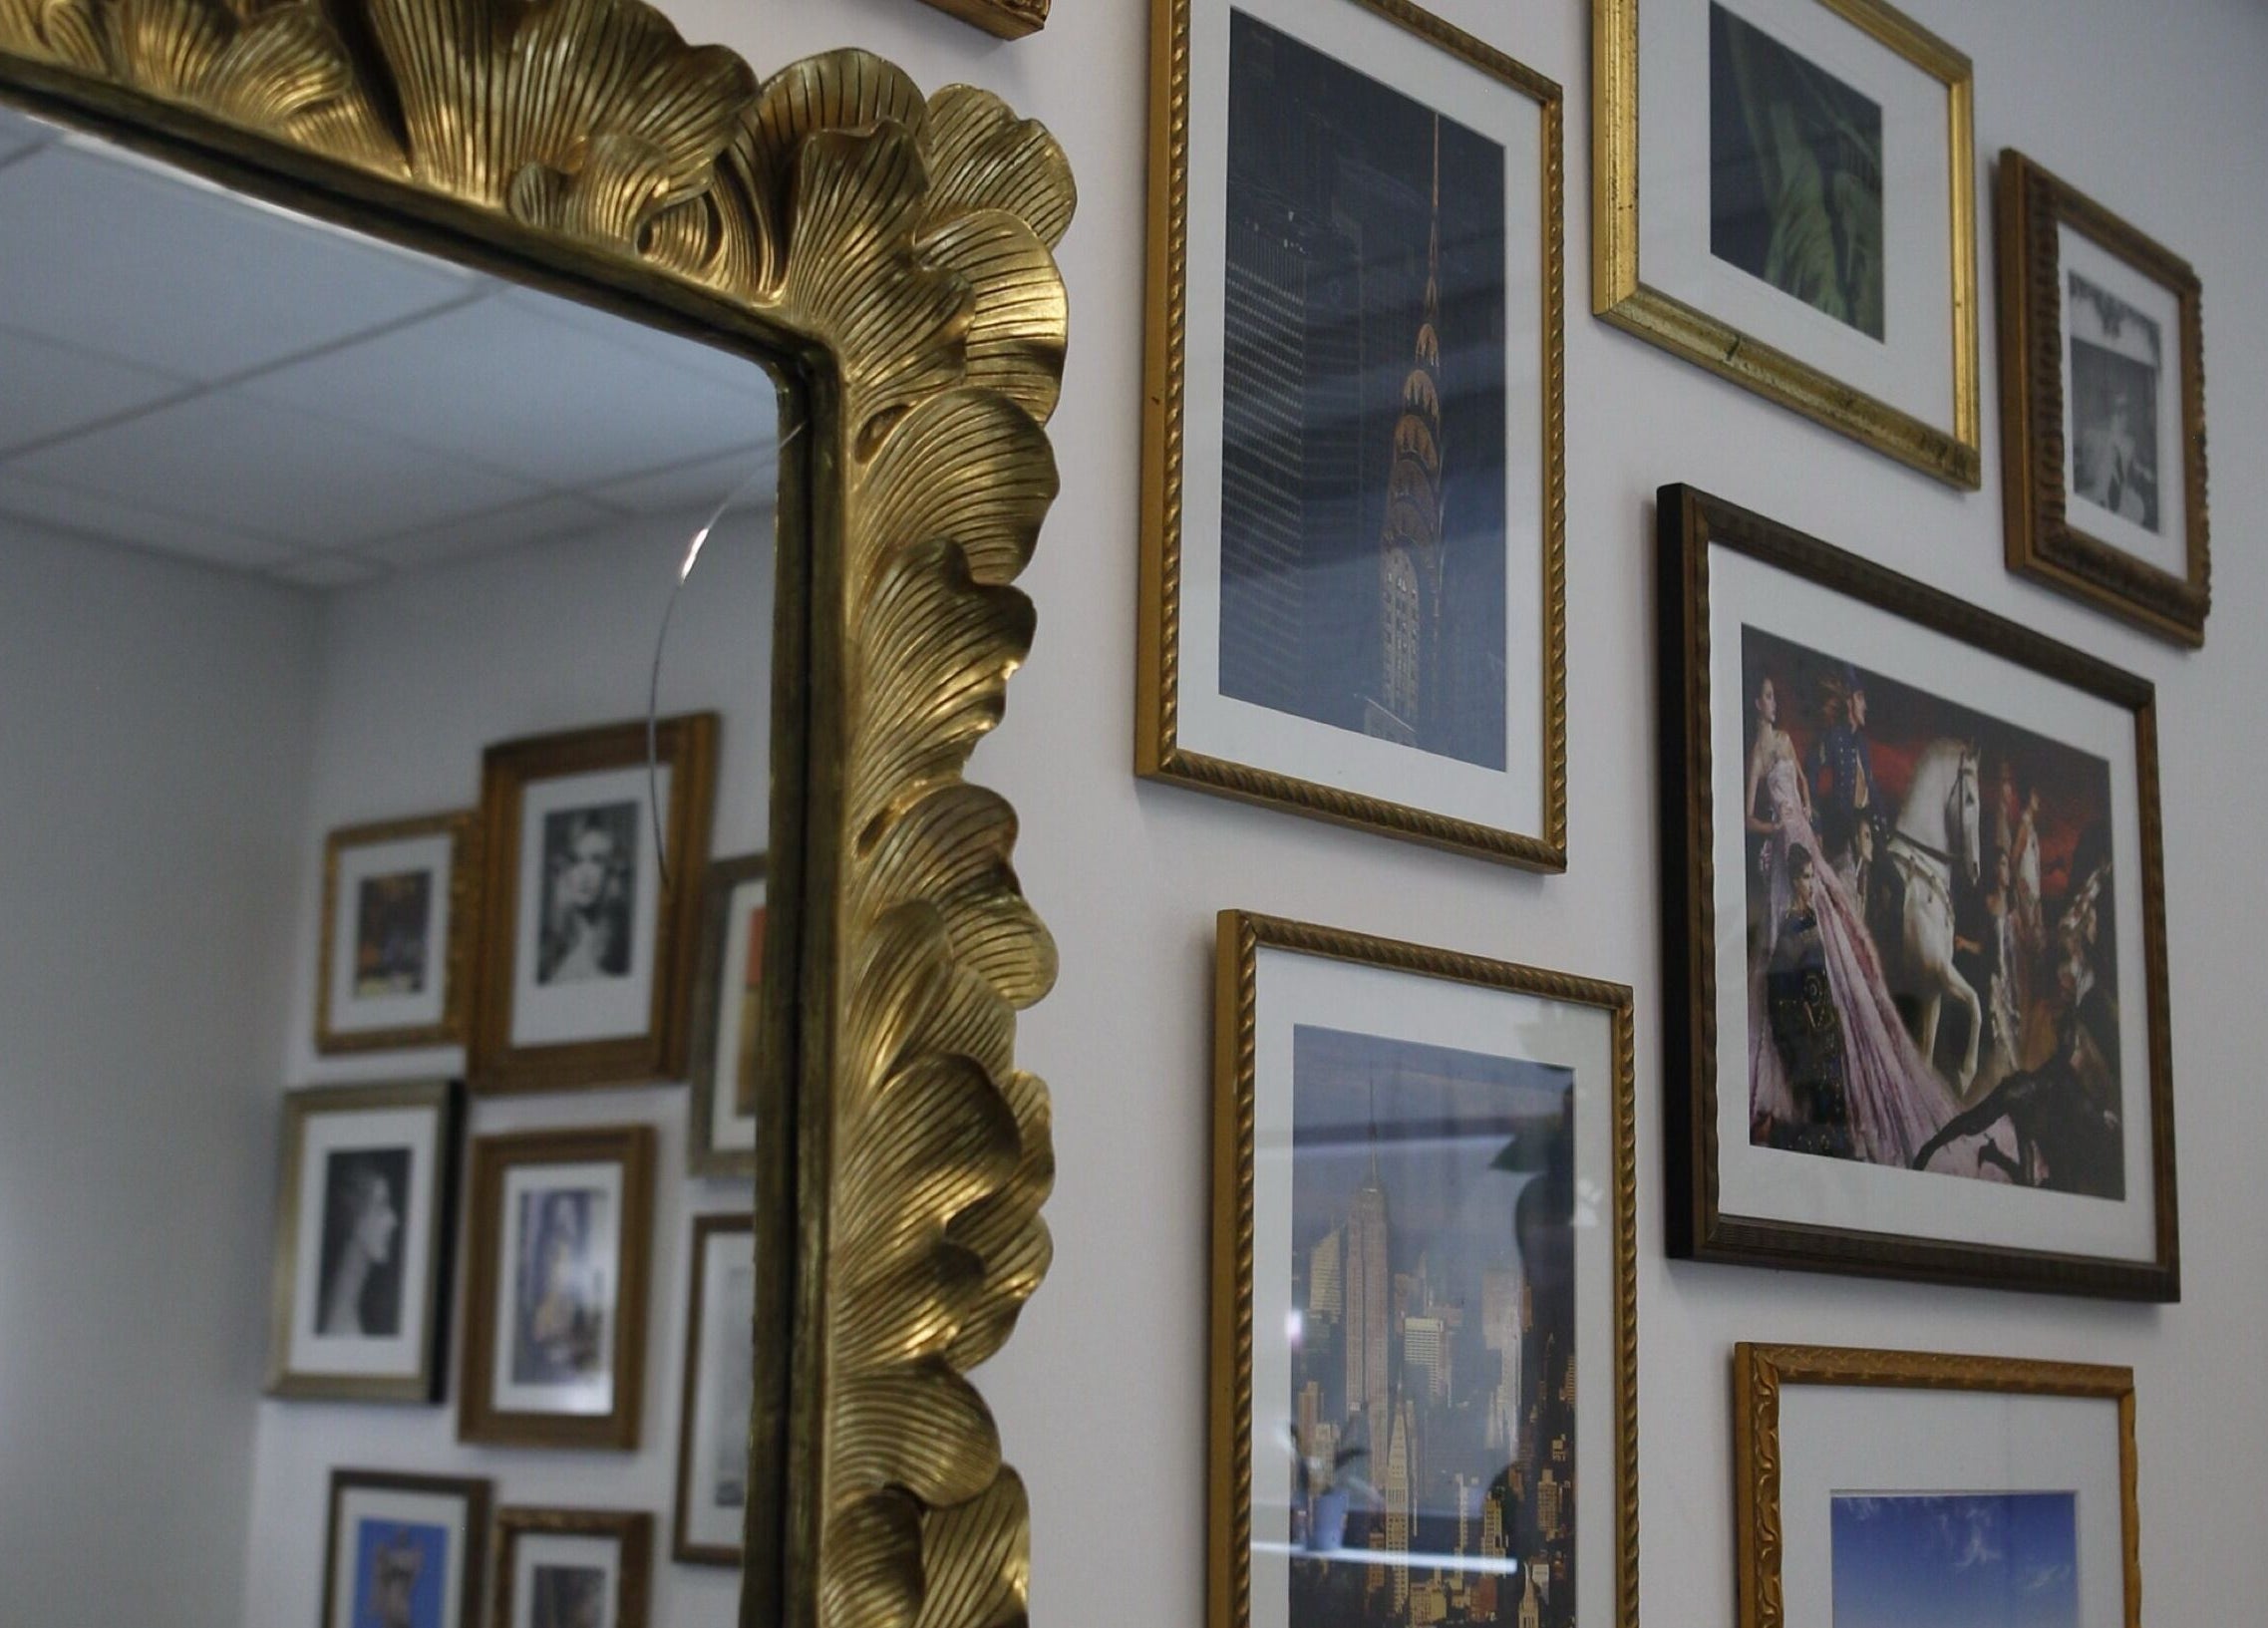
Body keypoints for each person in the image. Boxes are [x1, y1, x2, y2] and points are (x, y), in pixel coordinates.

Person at [1744, 673, 1955, 1167]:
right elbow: (1765, 805)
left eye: (1778, 695)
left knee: (1874, 899)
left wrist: (1829, 819)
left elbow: (1827, 791)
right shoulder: (1790, 748)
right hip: (1799, 840)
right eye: (1769, 696)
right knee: (1791, 929)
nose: (1774, 703)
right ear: (1758, 702)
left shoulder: (1826, 743)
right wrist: (1783, 825)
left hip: (1821, 834)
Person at [1763, 846, 1855, 1158]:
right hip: (1808, 1033)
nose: (1812, 884)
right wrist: (1804, 1019)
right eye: (1806, 877)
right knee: (1820, 1109)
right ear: (1793, 880)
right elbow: (1780, 984)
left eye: (1813, 876)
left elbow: (1821, 977)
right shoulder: (1791, 928)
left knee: (1836, 1107)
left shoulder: (1813, 919)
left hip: (1825, 1026)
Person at [539, 811, 631, 983]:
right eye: (575, 861)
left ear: (612, 871)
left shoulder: (622, 954)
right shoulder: (549, 956)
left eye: (596, 860)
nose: (584, 874)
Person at [1807, 665, 1877, 880]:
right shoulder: (1833, 737)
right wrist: (1816, 825)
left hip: (1865, 824)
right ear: (1849, 702)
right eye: (1860, 698)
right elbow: (1811, 773)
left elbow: (1871, 787)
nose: (1865, 706)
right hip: (1841, 830)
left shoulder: (1862, 744)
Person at [318, 1160, 401, 1338]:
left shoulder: (347, 1309)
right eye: (381, 1206)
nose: (393, 1220)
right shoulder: (338, 1322)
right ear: (353, 1217)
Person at [365, 1528, 425, 1628]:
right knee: (391, 1612)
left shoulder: (406, 1556)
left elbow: (413, 1568)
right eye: (400, 1536)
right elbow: (381, 1572)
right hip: (392, 1593)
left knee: (401, 1612)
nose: (402, 1539)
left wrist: (418, 1555)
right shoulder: (393, 1555)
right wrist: (380, 1557)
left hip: (401, 1593)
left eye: (404, 1537)